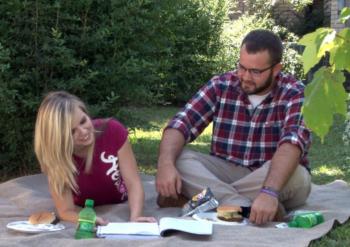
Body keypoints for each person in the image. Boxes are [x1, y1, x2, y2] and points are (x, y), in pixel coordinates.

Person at [155, 29, 312, 225]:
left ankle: (196, 201)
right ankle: (244, 208)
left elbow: (292, 144)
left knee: (298, 174)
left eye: (255, 71)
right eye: (241, 67)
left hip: (269, 174)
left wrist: (269, 192)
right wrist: (165, 165)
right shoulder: (221, 85)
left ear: (276, 69)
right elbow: (181, 123)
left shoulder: (296, 93)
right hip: (225, 170)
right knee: (179, 159)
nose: (245, 76)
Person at [34, 91, 155, 225]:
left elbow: (133, 183)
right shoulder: (56, 159)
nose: (83, 131)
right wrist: (89, 219)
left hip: (120, 200)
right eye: (72, 131)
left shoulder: (113, 131)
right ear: (57, 139)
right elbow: (66, 211)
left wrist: (135, 217)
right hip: (82, 209)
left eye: (83, 121)